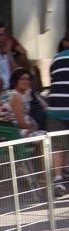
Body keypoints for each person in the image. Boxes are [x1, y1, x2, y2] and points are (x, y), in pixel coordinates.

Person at [0, 68, 45, 137]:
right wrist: (33, 128)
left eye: (28, 79)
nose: (26, 82)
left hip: (4, 132)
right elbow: (21, 124)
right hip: (11, 133)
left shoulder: (5, 93)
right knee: (44, 136)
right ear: (15, 81)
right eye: (22, 79)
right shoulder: (16, 96)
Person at [47, 43, 69, 196]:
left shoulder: (56, 58)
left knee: (57, 146)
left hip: (54, 107)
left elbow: (54, 79)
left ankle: (58, 180)